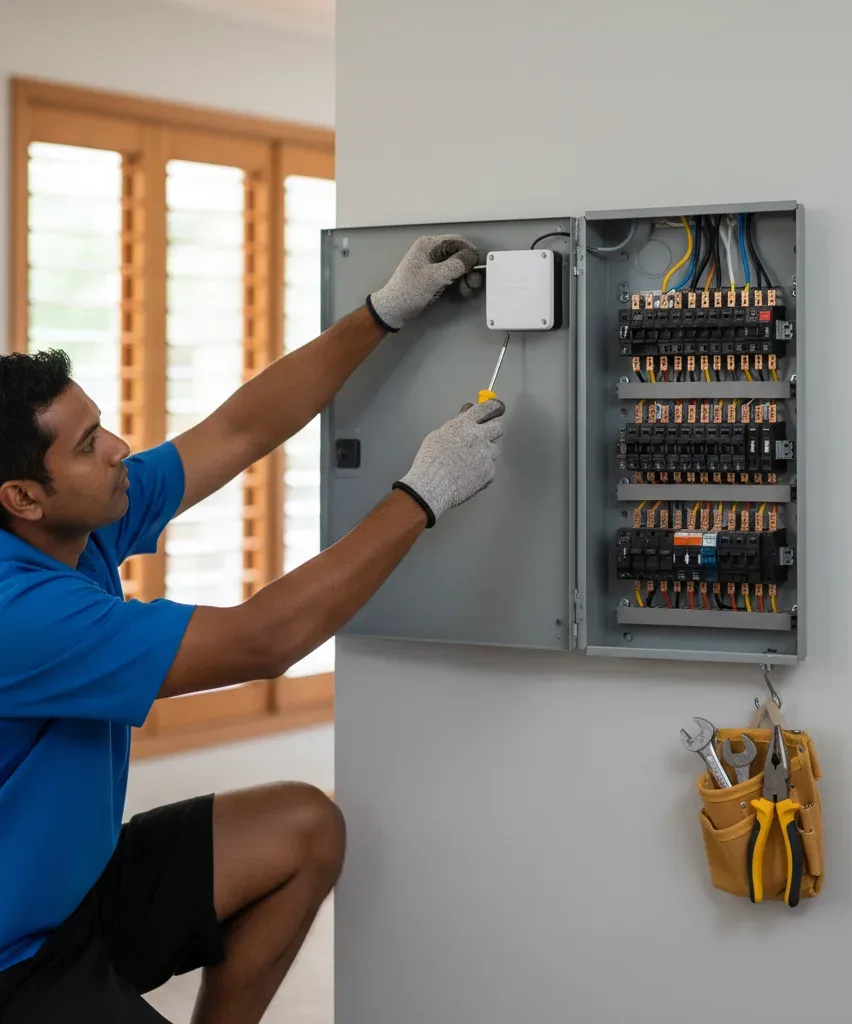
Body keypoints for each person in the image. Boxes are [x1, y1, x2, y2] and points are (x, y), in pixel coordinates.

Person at [0, 235, 503, 1023]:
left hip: (77, 893)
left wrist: (382, 313)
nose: (120, 448)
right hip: (12, 964)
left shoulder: (81, 521)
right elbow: (263, 640)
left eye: (101, 424)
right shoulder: (17, 610)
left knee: (302, 828)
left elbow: (236, 432)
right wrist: (421, 495)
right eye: (89, 445)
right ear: (23, 498)